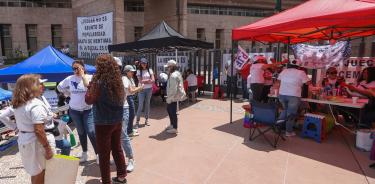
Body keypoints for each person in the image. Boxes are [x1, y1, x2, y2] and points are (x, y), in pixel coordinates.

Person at [0, 74, 53, 184]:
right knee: (40, 172)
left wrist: (15, 128)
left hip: (24, 139)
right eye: (39, 84)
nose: (42, 86)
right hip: (34, 142)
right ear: (30, 87)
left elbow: (2, 116)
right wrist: (47, 148)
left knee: (35, 172)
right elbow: (39, 130)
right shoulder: (35, 104)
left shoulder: (19, 103)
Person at [86, 54, 127, 184]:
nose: (96, 67)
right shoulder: (118, 81)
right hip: (117, 120)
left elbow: (88, 100)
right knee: (117, 148)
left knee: (104, 155)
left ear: (101, 67)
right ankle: (121, 175)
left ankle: (106, 181)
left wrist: (90, 86)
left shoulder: (98, 83)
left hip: (103, 122)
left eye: (98, 65)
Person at [57, 60, 97, 163]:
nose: (75, 70)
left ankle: (98, 154)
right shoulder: (70, 79)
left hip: (87, 110)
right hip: (74, 110)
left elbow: (92, 90)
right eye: (73, 69)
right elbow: (59, 87)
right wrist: (68, 94)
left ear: (83, 68)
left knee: (91, 132)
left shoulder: (90, 77)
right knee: (81, 132)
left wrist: (83, 77)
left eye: (77, 68)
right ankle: (84, 153)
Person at [277, 60, 311, 136]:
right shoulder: (301, 72)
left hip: (282, 94)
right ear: (298, 66)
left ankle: (278, 127)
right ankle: (288, 131)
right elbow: (308, 82)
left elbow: (278, 81)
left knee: (285, 111)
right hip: (293, 95)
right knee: (291, 114)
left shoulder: (284, 71)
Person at [121, 65, 144, 172]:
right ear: (127, 72)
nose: (133, 73)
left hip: (123, 105)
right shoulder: (125, 78)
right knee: (120, 134)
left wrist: (137, 88)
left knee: (122, 134)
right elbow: (131, 90)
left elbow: (131, 90)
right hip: (119, 107)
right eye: (131, 71)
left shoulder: (127, 79)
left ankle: (130, 158)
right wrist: (140, 88)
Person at [165, 60, 186, 134]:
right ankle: (172, 125)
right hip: (174, 96)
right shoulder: (176, 73)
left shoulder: (173, 75)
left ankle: (175, 127)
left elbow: (173, 89)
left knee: (172, 111)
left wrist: (169, 98)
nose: (167, 68)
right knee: (169, 110)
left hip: (173, 97)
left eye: (168, 67)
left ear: (171, 67)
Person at [135, 58, 155, 127]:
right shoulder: (138, 71)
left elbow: (153, 80)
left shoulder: (150, 70)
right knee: (140, 105)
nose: (144, 64)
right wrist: (148, 81)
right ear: (140, 63)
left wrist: (146, 81)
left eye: (145, 63)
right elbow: (140, 81)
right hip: (141, 90)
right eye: (143, 63)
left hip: (149, 89)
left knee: (147, 105)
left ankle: (146, 120)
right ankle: (137, 121)